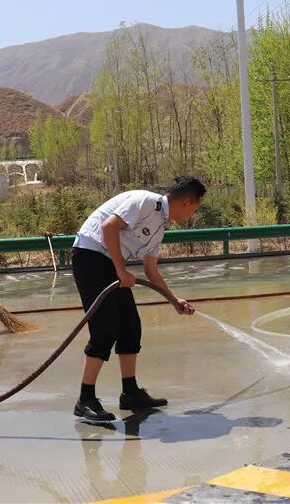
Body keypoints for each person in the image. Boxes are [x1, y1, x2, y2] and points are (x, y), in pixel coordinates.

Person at [70, 176, 205, 422]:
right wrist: (121, 270)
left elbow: (151, 269)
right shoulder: (145, 201)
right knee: (104, 329)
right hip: (90, 256)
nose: (192, 214)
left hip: (111, 263)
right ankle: (85, 399)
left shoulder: (161, 226)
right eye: (195, 209)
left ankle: (130, 393)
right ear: (186, 202)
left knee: (130, 327)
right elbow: (109, 227)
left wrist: (173, 300)